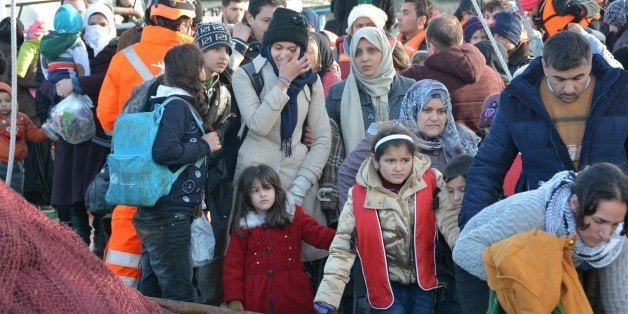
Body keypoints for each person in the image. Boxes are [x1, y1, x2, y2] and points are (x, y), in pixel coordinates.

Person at [459, 30, 628, 314]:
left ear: (590, 62)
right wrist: (473, 222)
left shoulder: (620, 91)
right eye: (559, 79)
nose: (569, 89)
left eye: (578, 78)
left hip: (610, 227)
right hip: (546, 229)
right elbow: (489, 165)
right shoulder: (518, 98)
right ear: (544, 65)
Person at [97, 0, 198, 287]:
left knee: (125, 245)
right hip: (181, 175)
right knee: (175, 270)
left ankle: (117, 300)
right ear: (185, 23)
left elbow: (106, 119)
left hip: (133, 169)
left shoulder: (123, 58)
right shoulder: (195, 59)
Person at [314, 125, 458, 313]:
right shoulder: (358, 195)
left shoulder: (431, 181)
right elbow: (342, 247)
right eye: (390, 161)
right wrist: (328, 296)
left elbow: (449, 222)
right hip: (387, 286)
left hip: (424, 281)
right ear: (376, 161)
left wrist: (464, 251)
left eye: (405, 160)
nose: (399, 167)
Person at [454, 163, 627, 312]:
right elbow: (463, 249)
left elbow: (618, 299)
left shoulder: (616, 237)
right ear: (575, 203)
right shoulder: (534, 212)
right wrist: (524, 285)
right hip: (479, 264)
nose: (606, 234)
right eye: (599, 221)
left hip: (538, 274)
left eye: (615, 223)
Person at [232, 7, 331, 263]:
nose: (284, 55)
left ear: (301, 49)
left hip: (297, 179)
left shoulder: (311, 80)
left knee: (295, 263)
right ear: (268, 44)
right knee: (255, 261)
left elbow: (322, 139)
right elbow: (258, 125)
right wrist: (283, 82)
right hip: (254, 181)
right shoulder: (246, 74)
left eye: (292, 49)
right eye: (278, 47)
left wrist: (299, 187)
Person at [132, 44, 221, 302]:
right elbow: (164, 152)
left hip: (157, 210)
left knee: (153, 289)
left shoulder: (162, 101)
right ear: (195, 70)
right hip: (168, 214)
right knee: (179, 292)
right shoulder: (176, 106)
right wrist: (204, 145)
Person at [51, 2, 118, 255]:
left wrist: (77, 83)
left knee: (98, 193)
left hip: (101, 134)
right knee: (71, 192)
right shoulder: (72, 48)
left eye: (102, 23)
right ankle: (77, 251)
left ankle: (102, 248)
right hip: (71, 132)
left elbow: (110, 80)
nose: (97, 28)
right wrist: (59, 91)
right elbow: (45, 80)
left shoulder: (117, 51)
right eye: (92, 23)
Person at [223, 164, 335, 313]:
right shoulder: (243, 228)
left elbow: (318, 234)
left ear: (276, 189)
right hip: (257, 298)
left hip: (295, 294)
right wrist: (234, 299)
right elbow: (232, 266)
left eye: (267, 188)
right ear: (246, 196)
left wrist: (345, 238)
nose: (262, 194)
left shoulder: (293, 215)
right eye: (255, 190)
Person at [192, 21, 235, 305]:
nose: (223, 56)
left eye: (227, 50)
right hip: (182, 185)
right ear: (199, 50)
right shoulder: (178, 86)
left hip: (215, 184)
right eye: (216, 48)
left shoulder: (225, 88)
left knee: (212, 250)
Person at [401, 16, 504, 135]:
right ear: (461, 41)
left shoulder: (415, 76)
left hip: (439, 151)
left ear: (431, 47)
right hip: (488, 150)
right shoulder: (494, 76)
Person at [327, 26, 415, 153]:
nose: (364, 58)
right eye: (358, 53)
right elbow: (325, 137)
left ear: (384, 51)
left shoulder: (409, 89)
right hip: (352, 170)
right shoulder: (338, 93)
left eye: (372, 50)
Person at [0, 83, 48, 195]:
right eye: (0, 101)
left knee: (16, 197)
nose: (3, 105)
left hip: (16, 166)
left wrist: (49, 131)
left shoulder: (22, 118)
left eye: (7, 101)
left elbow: (35, 135)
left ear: (14, 102)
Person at [334, 4, 389, 79]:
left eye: (370, 25)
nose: (364, 30)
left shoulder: (394, 50)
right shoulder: (336, 52)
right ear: (351, 31)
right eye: (359, 26)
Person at [39, 4, 90, 85]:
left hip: (52, 81)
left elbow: (44, 65)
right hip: (69, 82)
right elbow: (83, 64)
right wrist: (83, 84)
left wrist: (48, 78)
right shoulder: (75, 41)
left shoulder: (47, 41)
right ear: (77, 21)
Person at [230, 0, 286, 69]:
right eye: (267, 20)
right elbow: (224, 77)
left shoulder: (294, 43)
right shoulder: (231, 45)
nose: (275, 27)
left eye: (280, 20)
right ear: (249, 17)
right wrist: (239, 45)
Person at [520, 0, 601, 37]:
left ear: (535, 4)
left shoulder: (558, 3)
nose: (529, 13)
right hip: (574, 46)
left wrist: (581, 10)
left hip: (592, 33)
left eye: (529, 9)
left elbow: (595, 6)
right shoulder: (538, 19)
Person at [307, 32, 341, 97]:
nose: (304, 56)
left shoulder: (331, 82)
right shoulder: (304, 76)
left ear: (321, 54)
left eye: (308, 51)